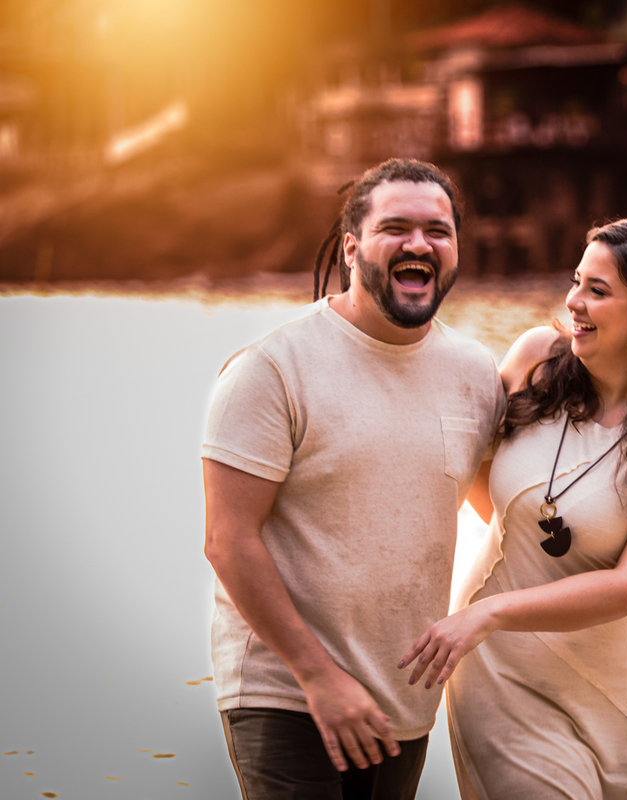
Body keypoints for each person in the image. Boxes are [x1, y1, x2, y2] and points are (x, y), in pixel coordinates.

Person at [398, 218, 627, 799]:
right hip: (505, 668)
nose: (574, 302)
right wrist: (488, 609)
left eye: (598, 290)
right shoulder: (537, 361)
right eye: (576, 282)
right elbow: (469, 466)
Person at [202, 158, 505, 800]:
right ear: (351, 247)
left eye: (438, 231)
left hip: (404, 696)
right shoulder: (271, 368)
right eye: (395, 227)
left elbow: (509, 510)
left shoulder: (475, 372)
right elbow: (229, 540)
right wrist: (317, 676)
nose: (419, 244)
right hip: (286, 692)